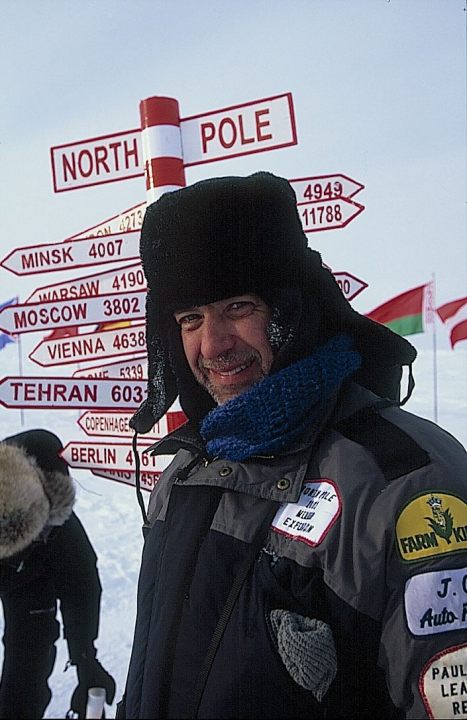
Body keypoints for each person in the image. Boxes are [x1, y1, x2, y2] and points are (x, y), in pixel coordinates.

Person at [118, 172, 467, 719]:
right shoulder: (186, 471)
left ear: (293, 307)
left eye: (237, 307)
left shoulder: (401, 482)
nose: (213, 344)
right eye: (190, 319)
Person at [0, 429, 116, 719]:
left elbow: (81, 586)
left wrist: (85, 659)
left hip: (30, 583)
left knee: (28, 663)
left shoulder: (57, 526)